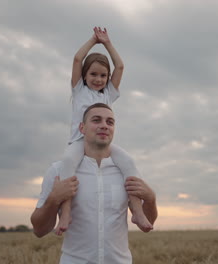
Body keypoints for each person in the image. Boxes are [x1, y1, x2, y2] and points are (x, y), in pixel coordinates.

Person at [31, 103, 158, 263]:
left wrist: (151, 199)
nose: (104, 126)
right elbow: (39, 230)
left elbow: (147, 225)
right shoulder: (58, 171)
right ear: (82, 128)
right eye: (96, 120)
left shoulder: (126, 171)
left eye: (109, 122)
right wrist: (53, 199)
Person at [55, 26, 152, 236]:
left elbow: (120, 66)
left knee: (128, 162)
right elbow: (77, 59)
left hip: (103, 145)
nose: (98, 79)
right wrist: (93, 40)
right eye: (93, 74)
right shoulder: (79, 90)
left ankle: (136, 210)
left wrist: (107, 43)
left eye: (102, 75)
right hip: (79, 143)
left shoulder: (108, 93)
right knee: (67, 163)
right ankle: (66, 212)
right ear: (85, 75)